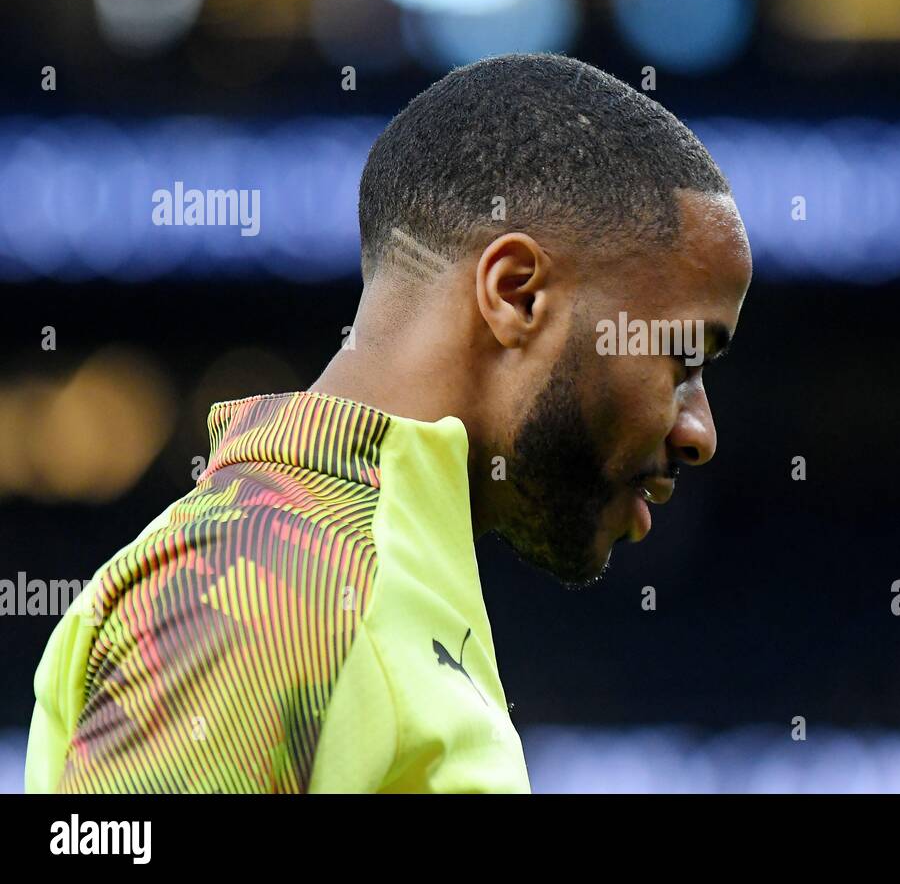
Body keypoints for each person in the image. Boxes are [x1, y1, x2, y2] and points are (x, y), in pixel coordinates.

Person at [25, 52, 752, 794]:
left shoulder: (363, 570)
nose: (700, 430)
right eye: (683, 356)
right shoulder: (275, 584)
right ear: (518, 295)